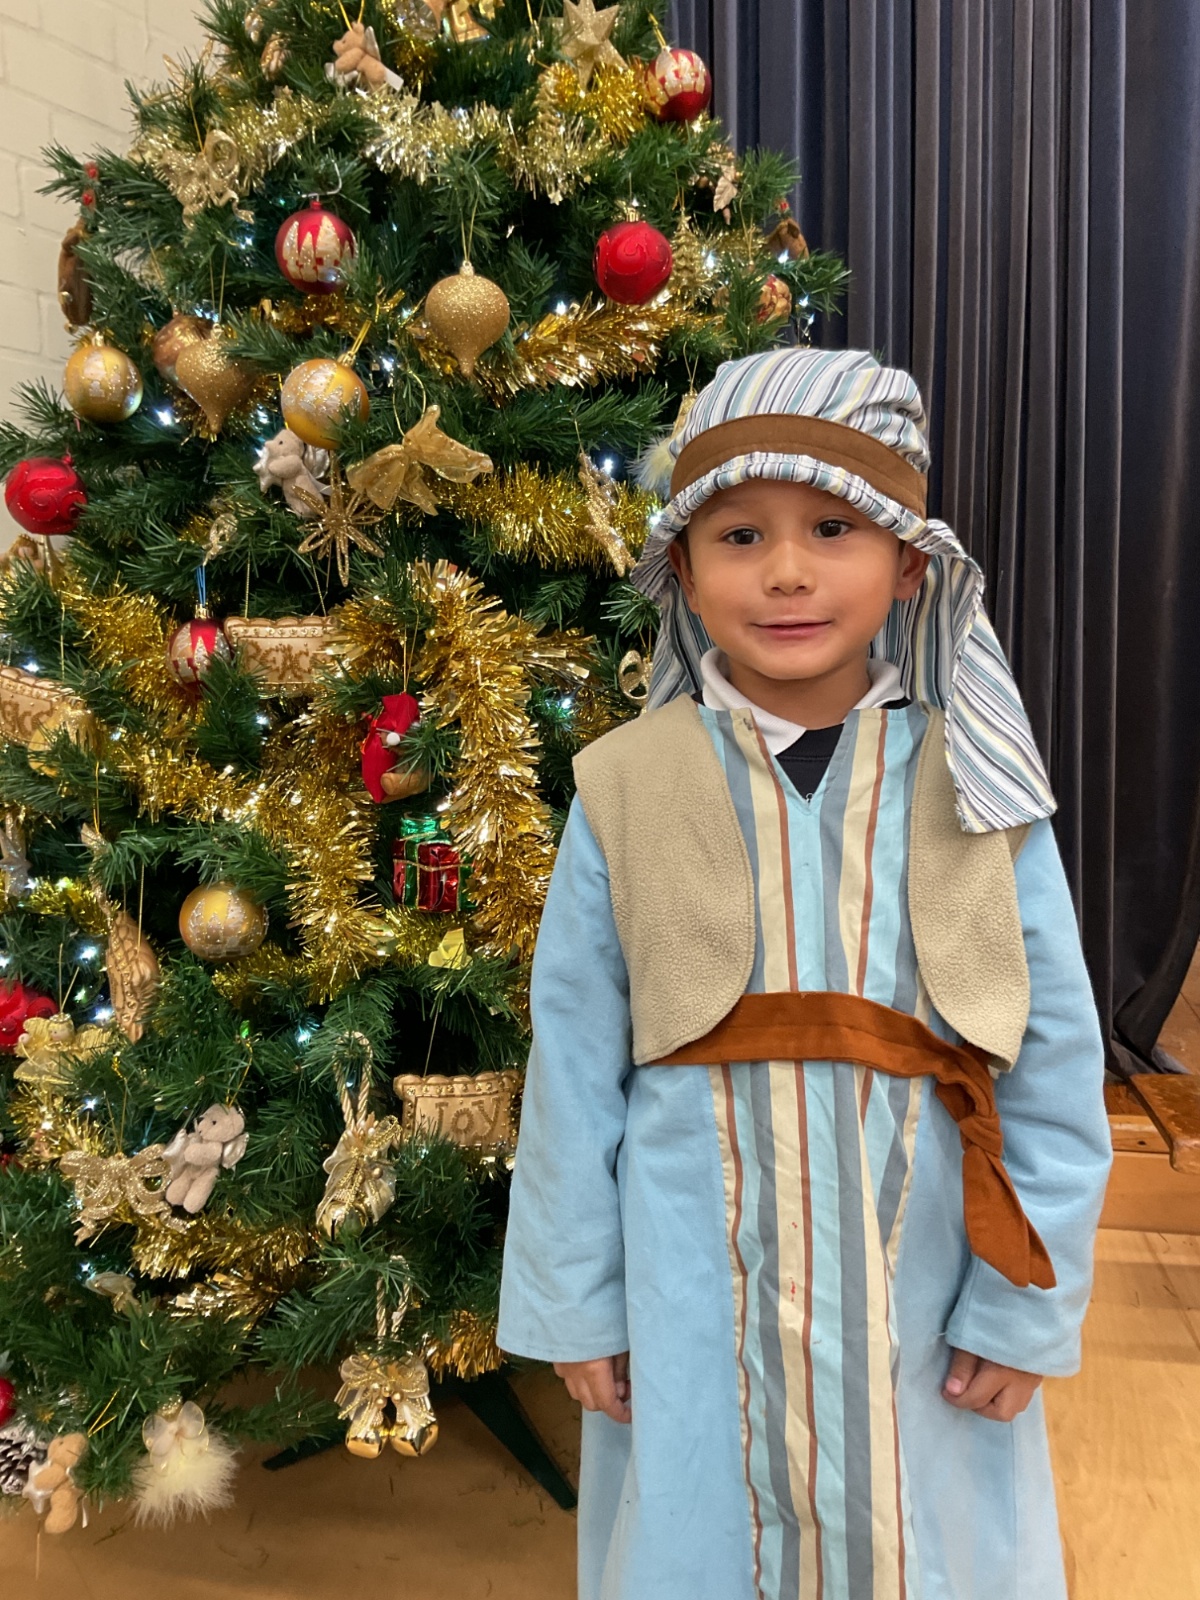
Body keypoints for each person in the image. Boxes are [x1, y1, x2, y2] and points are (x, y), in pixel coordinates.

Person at [497, 347, 1112, 1600]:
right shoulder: (627, 789)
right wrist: (579, 1303)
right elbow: (572, 1069)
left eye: (833, 527)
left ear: (909, 563)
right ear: (682, 568)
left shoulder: (982, 788)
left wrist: (1025, 1308)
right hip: (686, 1288)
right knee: (694, 1541)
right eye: (740, 535)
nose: (786, 571)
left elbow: (1050, 1063)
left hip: (928, 1288)